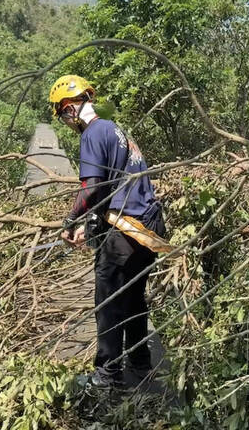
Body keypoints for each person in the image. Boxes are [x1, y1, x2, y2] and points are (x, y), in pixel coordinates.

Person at [49, 75, 167, 388]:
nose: (65, 121)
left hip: (125, 233)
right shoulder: (115, 130)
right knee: (134, 298)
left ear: (71, 107)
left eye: (62, 114)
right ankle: (140, 365)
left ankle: (107, 375)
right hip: (149, 228)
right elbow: (113, 188)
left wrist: (70, 220)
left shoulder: (92, 133)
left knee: (109, 302)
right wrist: (93, 225)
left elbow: (92, 187)